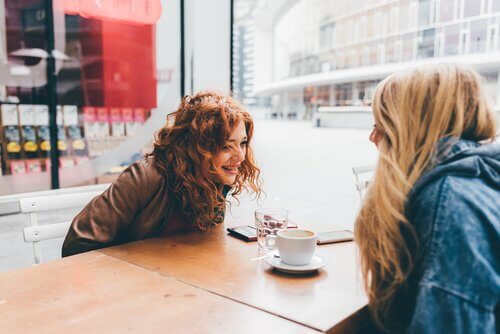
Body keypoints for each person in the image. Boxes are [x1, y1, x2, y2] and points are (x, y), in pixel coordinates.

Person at [355, 64, 499, 333]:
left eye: (381, 125)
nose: (372, 137)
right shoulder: (478, 177)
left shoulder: (449, 207)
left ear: (412, 128)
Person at [62, 91, 261, 257]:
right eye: (226, 146)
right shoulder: (145, 177)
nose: (241, 156)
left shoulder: (215, 179)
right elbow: (78, 244)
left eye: (242, 143)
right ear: (196, 147)